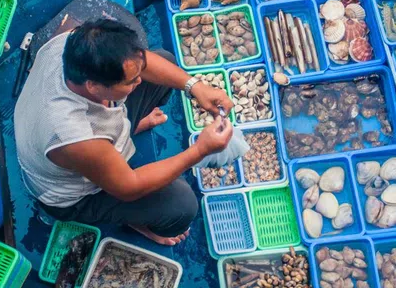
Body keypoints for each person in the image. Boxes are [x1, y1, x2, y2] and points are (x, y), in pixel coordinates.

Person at [14, 15, 234, 246]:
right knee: (181, 205)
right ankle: (137, 222)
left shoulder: (74, 41)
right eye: (130, 82)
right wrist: (200, 150)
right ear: (94, 86)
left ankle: (126, 129)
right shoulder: (76, 136)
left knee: (164, 62)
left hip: (90, 142)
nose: (139, 81)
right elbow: (130, 187)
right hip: (72, 196)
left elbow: (143, 62)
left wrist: (195, 86)